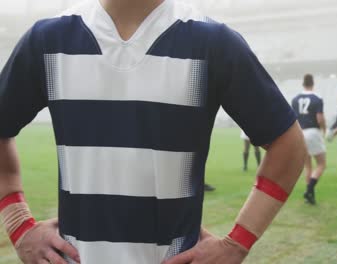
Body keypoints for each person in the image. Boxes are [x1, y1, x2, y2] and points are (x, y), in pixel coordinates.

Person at [0, 0, 307, 263]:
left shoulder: (212, 43)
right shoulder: (48, 40)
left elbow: (289, 145)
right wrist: (18, 224)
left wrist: (236, 243)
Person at [291, 74, 327, 205]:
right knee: (322, 164)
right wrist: (324, 129)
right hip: (313, 131)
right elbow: (320, 118)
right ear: (313, 83)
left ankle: (310, 196)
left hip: (301, 133)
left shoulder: (295, 99)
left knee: (308, 167)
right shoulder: (317, 98)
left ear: (303, 83)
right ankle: (310, 189)